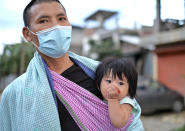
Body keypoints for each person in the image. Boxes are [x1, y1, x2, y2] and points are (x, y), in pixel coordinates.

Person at [0, 0, 142, 130]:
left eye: (61, 19)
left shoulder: (103, 74)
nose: (56, 26)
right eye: (43, 21)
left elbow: (129, 119)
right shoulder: (14, 94)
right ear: (27, 34)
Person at [95, 57, 144, 130]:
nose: (113, 86)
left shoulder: (127, 102)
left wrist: (113, 99)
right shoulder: (99, 101)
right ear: (98, 84)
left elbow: (118, 122)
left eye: (120, 83)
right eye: (108, 81)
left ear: (129, 89)